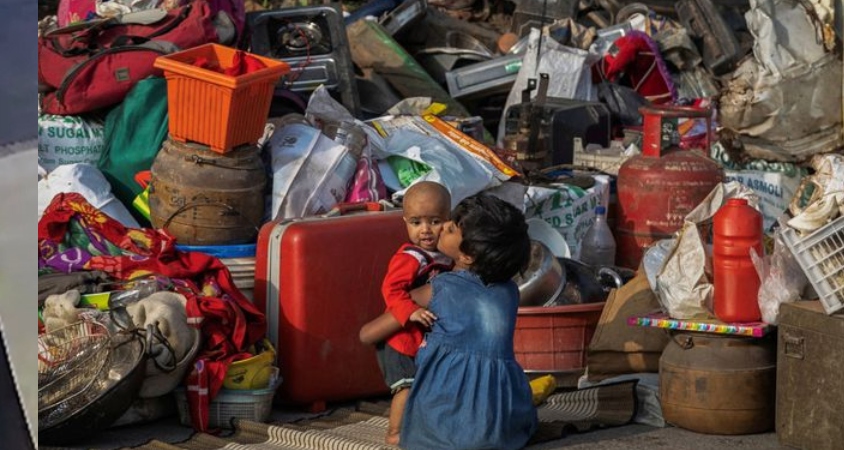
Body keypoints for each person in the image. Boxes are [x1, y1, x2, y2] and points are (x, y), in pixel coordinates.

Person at [399, 194, 538, 450]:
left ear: (469, 255)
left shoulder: (439, 288)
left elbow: (380, 325)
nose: (440, 228)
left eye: (450, 228)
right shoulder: (510, 292)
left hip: (440, 432)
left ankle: (394, 428)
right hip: (505, 427)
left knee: (393, 346)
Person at [358, 181, 453, 445]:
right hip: (399, 340)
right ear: (405, 223)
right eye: (416, 222)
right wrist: (409, 311)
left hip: (421, 340)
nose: (425, 230)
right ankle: (394, 432)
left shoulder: (446, 257)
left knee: (427, 384)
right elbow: (391, 289)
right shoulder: (411, 257)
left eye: (434, 221)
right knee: (406, 387)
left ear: (449, 221)